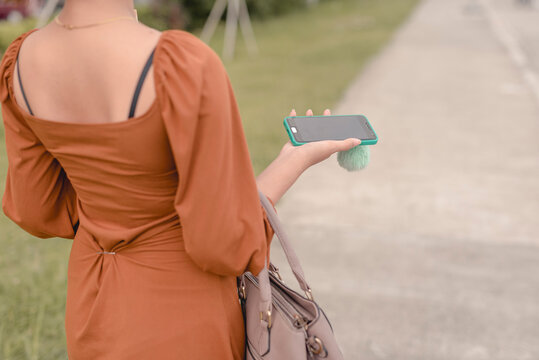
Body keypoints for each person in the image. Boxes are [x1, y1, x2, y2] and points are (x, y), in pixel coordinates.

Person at [0, 0, 361, 358]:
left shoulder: (20, 61)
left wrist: (112, 203)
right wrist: (293, 161)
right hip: (181, 309)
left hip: (92, 302)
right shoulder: (177, 64)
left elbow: (37, 208)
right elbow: (225, 243)